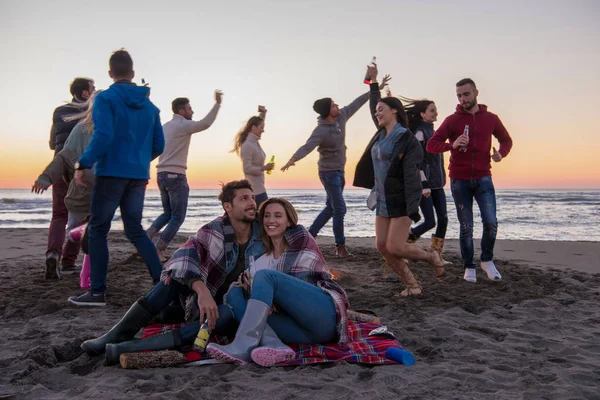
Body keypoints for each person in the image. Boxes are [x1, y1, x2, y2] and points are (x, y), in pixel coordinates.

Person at [79, 180, 267, 365]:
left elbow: (291, 236)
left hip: (233, 304)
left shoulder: (265, 231)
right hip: (199, 299)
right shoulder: (213, 230)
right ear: (228, 206)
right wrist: (202, 291)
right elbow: (183, 256)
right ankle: (118, 333)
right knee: (173, 278)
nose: (252, 203)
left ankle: (132, 346)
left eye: (252, 198)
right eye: (244, 199)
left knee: (224, 315)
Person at [67, 49, 165, 306]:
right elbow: (159, 145)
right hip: (137, 175)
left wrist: (83, 163)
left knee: (99, 229)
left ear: (110, 74)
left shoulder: (106, 99)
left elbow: (104, 135)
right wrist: (140, 160)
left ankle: (97, 292)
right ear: (132, 74)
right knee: (135, 230)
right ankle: (162, 284)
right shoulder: (151, 107)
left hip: (111, 173)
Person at [207, 197, 350, 366]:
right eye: (266, 216)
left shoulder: (300, 238)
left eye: (277, 216)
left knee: (265, 277)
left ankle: (242, 345)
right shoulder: (262, 260)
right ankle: (274, 344)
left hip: (322, 317)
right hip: (303, 333)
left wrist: (275, 298)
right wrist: (248, 288)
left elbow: (307, 281)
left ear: (289, 221)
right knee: (235, 292)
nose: (271, 221)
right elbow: (247, 289)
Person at [353, 66, 444, 296]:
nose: (377, 113)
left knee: (395, 246)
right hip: (382, 198)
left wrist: (412, 206)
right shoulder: (381, 133)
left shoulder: (405, 137)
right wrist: (373, 82)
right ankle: (412, 285)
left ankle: (430, 255)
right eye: (376, 111)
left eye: (381, 110)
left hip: (401, 199)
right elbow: (376, 102)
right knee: (382, 246)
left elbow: (412, 172)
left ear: (394, 111)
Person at [426, 78, 513, 283]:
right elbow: (431, 144)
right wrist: (452, 145)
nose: (462, 99)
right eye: (459, 95)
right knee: (466, 226)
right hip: (459, 180)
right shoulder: (452, 120)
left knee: (490, 222)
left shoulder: (491, 118)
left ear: (476, 93)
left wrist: (501, 153)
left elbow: (506, 140)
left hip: (484, 177)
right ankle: (469, 265)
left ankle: (487, 260)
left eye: (466, 94)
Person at [280, 81, 377, 257]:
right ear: (327, 111)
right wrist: (293, 159)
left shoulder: (341, 117)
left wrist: (373, 89)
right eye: (333, 105)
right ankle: (340, 246)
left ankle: (308, 236)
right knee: (340, 208)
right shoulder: (321, 130)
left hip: (339, 172)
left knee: (331, 208)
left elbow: (356, 103)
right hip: (328, 173)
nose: (337, 106)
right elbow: (307, 146)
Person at [32, 91, 101, 286]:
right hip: (81, 183)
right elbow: (64, 155)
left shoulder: (113, 128)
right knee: (80, 227)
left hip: (93, 185)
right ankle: (71, 259)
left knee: (86, 227)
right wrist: (46, 177)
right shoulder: (83, 128)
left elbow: (55, 147)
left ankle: (78, 272)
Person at [147, 92, 223, 257]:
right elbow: (205, 123)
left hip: (161, 174)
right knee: (178, 217)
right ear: (181, 111)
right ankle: (158, 250)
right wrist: (217, 104)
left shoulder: (166, 126)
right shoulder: (182, 125)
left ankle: (146, 239)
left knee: (167, 213)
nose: (192, 112)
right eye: (190, 109)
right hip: (176, 175)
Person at [45, 77, 95, 279]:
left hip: (60, 166)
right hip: (80, 171)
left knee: (58, 215)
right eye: (92, 88)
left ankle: (53, 254)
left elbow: (51, 143)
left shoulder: (58, 112)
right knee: (82, 215)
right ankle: (68, 262)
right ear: (85, 93)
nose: (94, 91)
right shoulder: (91, 115)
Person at [402, 98, 451, 264]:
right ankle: (402, 246)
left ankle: (436, 254)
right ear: (422, 114)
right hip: (425, 184)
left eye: (435, 110)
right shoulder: (420, 133)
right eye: (432, 110)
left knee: (443, 219)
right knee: (430, 221)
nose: (435, 113)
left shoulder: (434, 132)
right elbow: (416, 161)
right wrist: (424, 184)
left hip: (438, 183)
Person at [231, 106, 273, 208]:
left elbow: (259, 122)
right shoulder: (247, 145)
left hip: (260, 188)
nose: (263, 130)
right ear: (253, 128)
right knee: (262, 216)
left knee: (261, 217)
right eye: (261, 128)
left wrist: (263, 113)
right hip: (255, 191)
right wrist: (264, 168)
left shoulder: (254, 142)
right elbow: (247, 168)